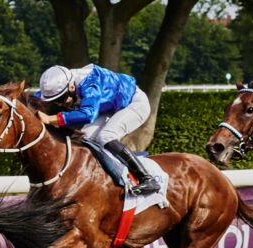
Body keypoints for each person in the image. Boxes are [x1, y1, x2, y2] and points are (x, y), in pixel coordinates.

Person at [34, 64, 160, 195]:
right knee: (85, 139)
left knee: (106, 136)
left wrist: (52, 119)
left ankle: (147, 178)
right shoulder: (62, 84)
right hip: (109, 107)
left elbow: (88, 115)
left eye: (61, 98)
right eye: (55, 100)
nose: (60, 104)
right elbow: (34, 97)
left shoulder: (90, 83)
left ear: (71, 87)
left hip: (134, 103)